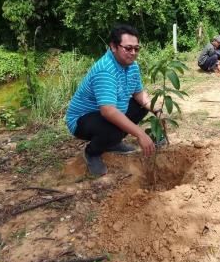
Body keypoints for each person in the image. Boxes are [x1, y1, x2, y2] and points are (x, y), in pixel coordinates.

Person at [66, 24, 166, 176]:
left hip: (108, 112)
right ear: (113, 47)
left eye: (136, 49)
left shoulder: (132, 65)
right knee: (111, 129)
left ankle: (112, 144)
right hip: (82, 119)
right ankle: (92, 153)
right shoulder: (105, 69)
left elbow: (139, 93)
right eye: (128, 48)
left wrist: (157, 111)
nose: (133, 53)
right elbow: (108, 111)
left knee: (143, 106)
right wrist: (140, 134)